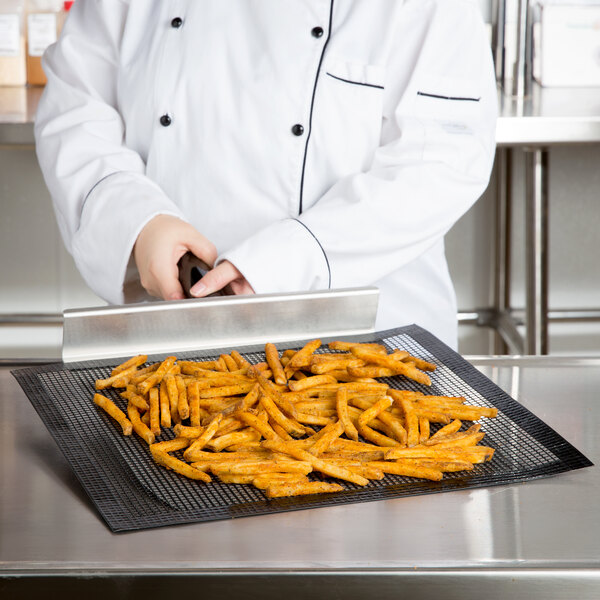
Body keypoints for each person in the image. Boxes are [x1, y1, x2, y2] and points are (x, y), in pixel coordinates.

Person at [34, 0, 497, 349]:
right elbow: (76, 110)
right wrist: (136, 220)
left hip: (371, 343)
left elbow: (443, 156)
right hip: (175, 333)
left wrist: (287, 259)